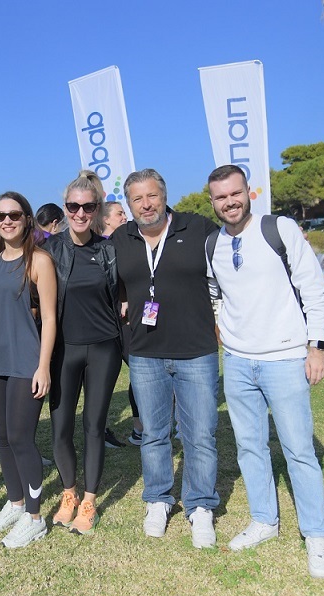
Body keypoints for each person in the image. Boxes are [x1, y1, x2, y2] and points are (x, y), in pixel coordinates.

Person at [206, 164, 324, 579]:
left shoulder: (279, 228)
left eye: (235, 193)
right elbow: (214, 292)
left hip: (285, 359)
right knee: (249, 448)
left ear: (249, 192)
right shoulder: (213, 244)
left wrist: (316, 347)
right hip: (239, 363)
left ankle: (316, 535)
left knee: (299, 450)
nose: (230, 202)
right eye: (221, 197)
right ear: (212, 202)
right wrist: (222, 324)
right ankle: (264, 520)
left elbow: (314, 289)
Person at [109, 168, 220, 547]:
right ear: (128, 205)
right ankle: (158, 498)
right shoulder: (120, 239)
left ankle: (201, 505)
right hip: (145, 353)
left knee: (200, 434)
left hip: (196, 351)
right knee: (154, 434)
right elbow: (109, 284)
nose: (146, 204)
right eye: (137, 199)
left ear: (164, 195)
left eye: (152, 195)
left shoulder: (198, 229)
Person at [0, 192, 57, 548]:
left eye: (13, 214)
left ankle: (34, 517)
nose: (6, 221)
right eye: (0, 215)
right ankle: (15, 502)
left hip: (26, 362)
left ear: (26, 218)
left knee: (23, 439)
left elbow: (51, 317)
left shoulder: (39, 260)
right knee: (4, 438)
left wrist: (44, 367)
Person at [43, 171, 122, 535]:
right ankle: (69, 493)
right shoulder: (49, 250)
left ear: (97, 209)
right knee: (60, 429)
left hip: (103, 347)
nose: (79, 212)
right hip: (62, 350)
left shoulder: (107, 250)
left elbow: (127, 289)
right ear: (65, 208)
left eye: (87, 206)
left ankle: (89, 501)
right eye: (73, 206)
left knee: (93, 426)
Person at [94, 200, 143, 446]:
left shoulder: (129, 242)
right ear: (105, 219)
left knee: (141, 369)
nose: (125, 217)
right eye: (119, 213)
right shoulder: (101, 247)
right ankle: (102, 431)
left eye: (125, 212)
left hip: (128, 320)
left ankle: (140, 428)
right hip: (108, 324)